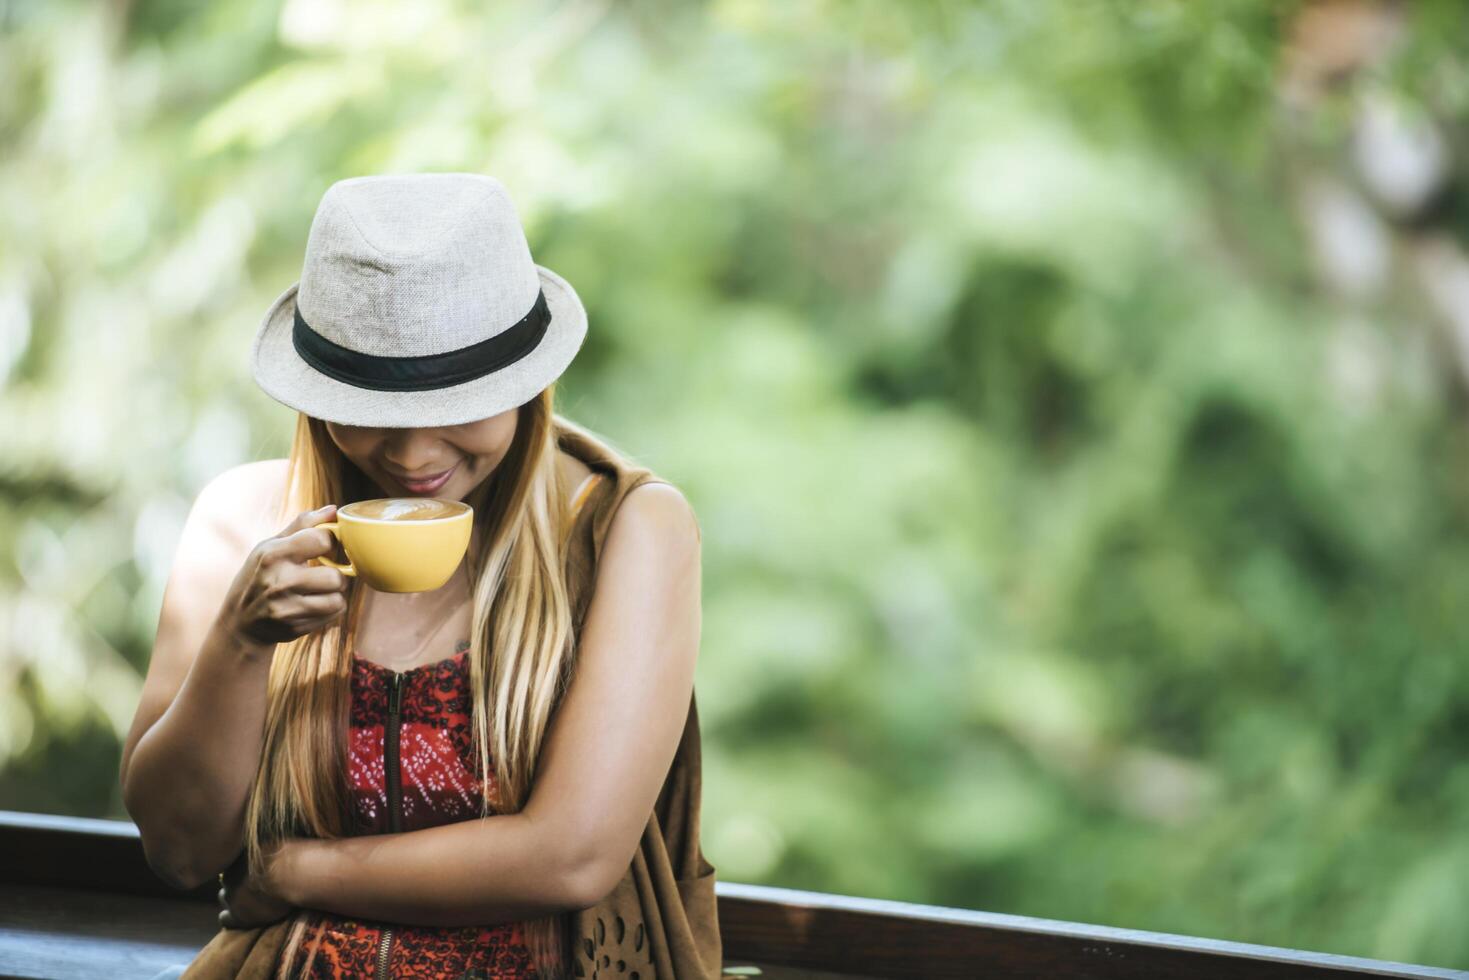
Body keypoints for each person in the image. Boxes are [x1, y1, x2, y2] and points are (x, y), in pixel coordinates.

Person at [118, 173, 721, 979]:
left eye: (458, 403)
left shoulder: (624, 529)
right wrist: (240, 640)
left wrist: (296, 872)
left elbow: (570, 857)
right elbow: (181, 849)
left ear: (527, 384)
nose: (411, 456)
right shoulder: (243, 521)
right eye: (369, 409)